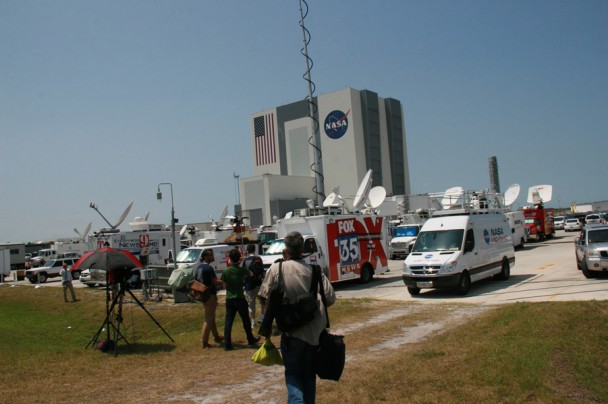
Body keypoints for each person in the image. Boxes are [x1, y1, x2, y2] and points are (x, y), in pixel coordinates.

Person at [258, 231, 336, 404]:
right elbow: (330, 298)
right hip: (315, 334)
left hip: (291, 333)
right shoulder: (315, 271)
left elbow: (264, 295)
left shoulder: (277, 269)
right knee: (308, 375)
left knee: (293, 375)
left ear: (286, 249)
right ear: (302, 249)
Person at [220, 248, 260, 350]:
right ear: (239, 258)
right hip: (240, 298)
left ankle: (227, 343)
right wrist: (240, 262)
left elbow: (224, 286)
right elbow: (250, 274)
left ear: (229, 258)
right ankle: (250, 339)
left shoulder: (226, 271)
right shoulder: (242, 270)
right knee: (246, 320)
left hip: (230, 298)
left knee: (229, 321)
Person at [196, 249, 223, 348]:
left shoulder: (199, 267)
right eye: (211, 255)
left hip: (203, 295)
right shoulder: (208, 268)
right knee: (208, 318)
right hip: (210, 295)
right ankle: (204, 341)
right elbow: (216, 281)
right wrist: (225, 281)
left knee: (211, 316)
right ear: (206, 257)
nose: (213, 257)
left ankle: (216, 336)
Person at [242, 243, 265, 328]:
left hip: (249, 285)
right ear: (254, 249)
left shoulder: (245, 260)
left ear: (247, 250)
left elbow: (244, 273)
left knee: (251, 303)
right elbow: (262, 271)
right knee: (263, 301)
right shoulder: (258, 259)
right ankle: (262, 317)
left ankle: (253, 321)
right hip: (258, 283)